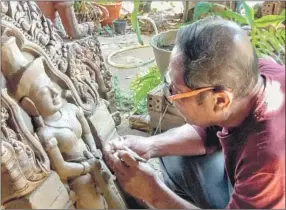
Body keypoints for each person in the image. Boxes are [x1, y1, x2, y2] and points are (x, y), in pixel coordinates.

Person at [104, 16, 285, 209]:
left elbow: (262, 165)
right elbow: (209, 129)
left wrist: (155, 193)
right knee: (172, 154)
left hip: (269, 189)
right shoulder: (254, 74)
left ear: (220, 100)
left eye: (177, 91)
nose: (170, 95)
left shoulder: (265, 161)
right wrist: (150, 145)